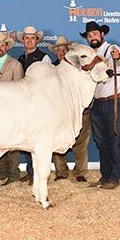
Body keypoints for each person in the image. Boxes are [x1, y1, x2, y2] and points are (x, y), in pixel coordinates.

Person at [83, 21, 120, 190]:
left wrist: (118, 57)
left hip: (115, 99)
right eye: (89, 35)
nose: (92, 37)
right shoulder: (88, 55)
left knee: (115, 138)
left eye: (95, 34)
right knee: (101, 140)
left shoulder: (112, 48)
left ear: (102, 35)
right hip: (97, 102)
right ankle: (105, 175)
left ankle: (114, 176)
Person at [50, 36, 90, 182]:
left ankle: (80, 172)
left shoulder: (79, 69)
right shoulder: (51, 69)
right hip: (58, 111)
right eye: (58, 50)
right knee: (57, 140)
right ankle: (61, 171)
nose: (61, 52)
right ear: (55, 52)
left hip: (79, 110)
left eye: (64, 49)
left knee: (81, 141)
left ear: (69, 52)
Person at [0, 32, 25, 185]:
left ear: (7, 47)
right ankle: (2, 172)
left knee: (13, 143)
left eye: (2, 45)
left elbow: (20, 89)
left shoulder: (15, 64)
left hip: (11, 109)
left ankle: (14, 173)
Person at [16, 26, 51, 184]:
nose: (29, 40)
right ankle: (30, 172)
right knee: (27, 138)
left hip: (39, 104)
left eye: (32, 38)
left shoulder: (44, 58)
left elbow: (49, 82)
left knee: (38, 138)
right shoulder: (20, 59)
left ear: (37, 40)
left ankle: (38, 174)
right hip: (23, 103)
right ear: (23, 41)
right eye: (26, 38)